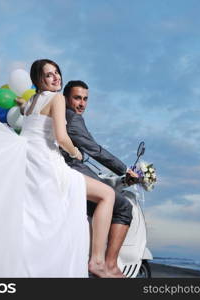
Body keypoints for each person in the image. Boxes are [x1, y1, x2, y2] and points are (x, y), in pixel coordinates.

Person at [19, 60, 115, 277]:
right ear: (38, 80)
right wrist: (76, 153)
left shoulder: (31, 102)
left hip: (31, 166)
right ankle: (98, 261)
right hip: (49, 166)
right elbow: (62, 138)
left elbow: (27, 117)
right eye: (49, 75)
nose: (56, 78)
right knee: (107, 195)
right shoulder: (58, 98)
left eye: (57, 73)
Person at [61, 80, 139, 277]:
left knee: (105, 197)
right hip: (73, 170)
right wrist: (125, 169)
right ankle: (109, 265)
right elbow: (95, 149)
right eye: (77, 98)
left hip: (72, 169)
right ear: (66, 98)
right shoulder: (72, 118)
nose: (82, 104)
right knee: (123, 207)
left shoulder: (60, 115)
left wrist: (121, 178)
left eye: (85, 99)